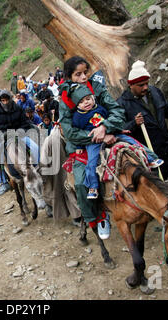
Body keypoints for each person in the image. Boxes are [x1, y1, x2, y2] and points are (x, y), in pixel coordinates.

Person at [58, 56, 127, 239]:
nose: (83, 77)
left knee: (136, 153)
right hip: (82, 144)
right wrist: (96, 136)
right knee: (81, 183)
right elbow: (69, 131)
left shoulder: (97, 88)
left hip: (108, 131)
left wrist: (105, 127)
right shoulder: (65, 99)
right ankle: (97, 216)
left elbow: (117, 110)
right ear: (69, 76)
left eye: (85, 73)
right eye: (77, 74)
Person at [70, 84, 161, 199]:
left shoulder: (100, 109)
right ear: (77, 105)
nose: (86, 103)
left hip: (111, 133)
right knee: (91, 162)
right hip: (93, 142)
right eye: (82, 101)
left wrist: (115, 129)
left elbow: (110, 120)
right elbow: (77, 133)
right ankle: (93, 186)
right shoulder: (77, 118)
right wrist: (79, 146)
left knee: (132, 142)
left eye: (88, 99)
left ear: (93, 98)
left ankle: (151, 159)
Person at [117, 60, 168, 180]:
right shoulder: (122, 104)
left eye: (147, 83)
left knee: (166, 172)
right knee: (154, 178)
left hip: (165, 144)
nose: (145, 87)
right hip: (147, 151)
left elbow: (165, 107)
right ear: (131, 85)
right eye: (141, 85)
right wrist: (133, 124)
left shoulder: (155, 92)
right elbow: (119, 129)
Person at [0, 90, 40, 195]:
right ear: (0, 101)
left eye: (7, 100)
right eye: (3, 100)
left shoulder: (18, 109)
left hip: (18, 135)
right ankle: (3, 181)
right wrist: (1, 136)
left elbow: (25, 123)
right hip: (3, 138)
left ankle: (38, 170)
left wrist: (20, 131)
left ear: (10, 99)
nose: (5, 102)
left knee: (35, 147)